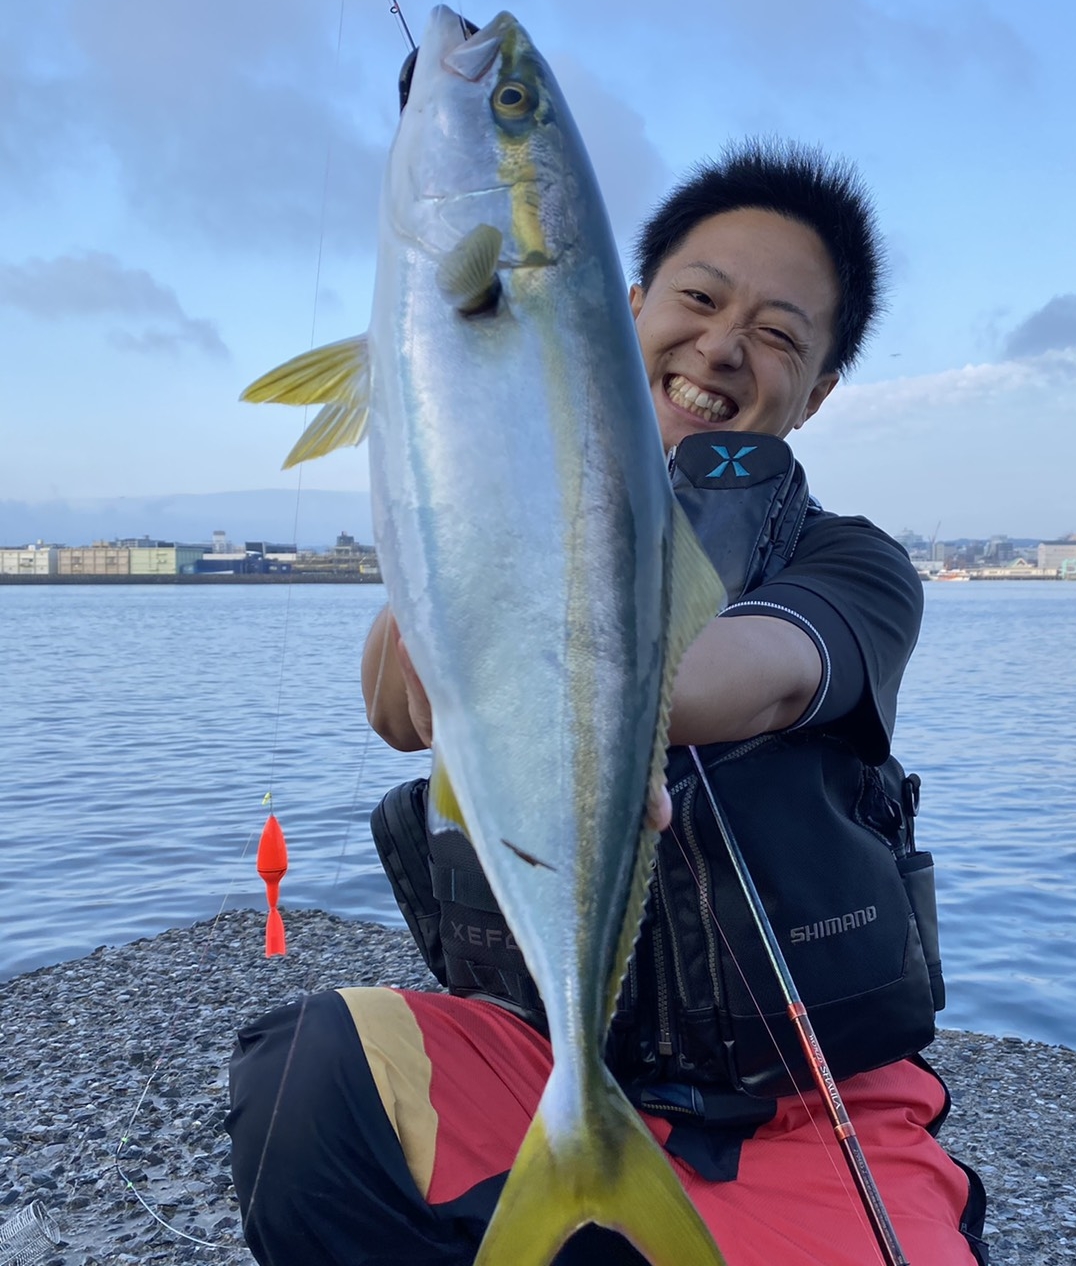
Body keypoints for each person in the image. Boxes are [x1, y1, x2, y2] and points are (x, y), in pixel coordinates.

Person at [226, 141, 988, 1265]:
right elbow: (398, 703)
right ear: (625, 307)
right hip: (546, 1054)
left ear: (817, 391)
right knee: (308, 1076)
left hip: (805, 1105)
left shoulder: (856, 568)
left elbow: (761, 671)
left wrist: (592, 684)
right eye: (696, 296)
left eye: (777, 334)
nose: (721, 345)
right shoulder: (516, 501)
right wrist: (470, 456)